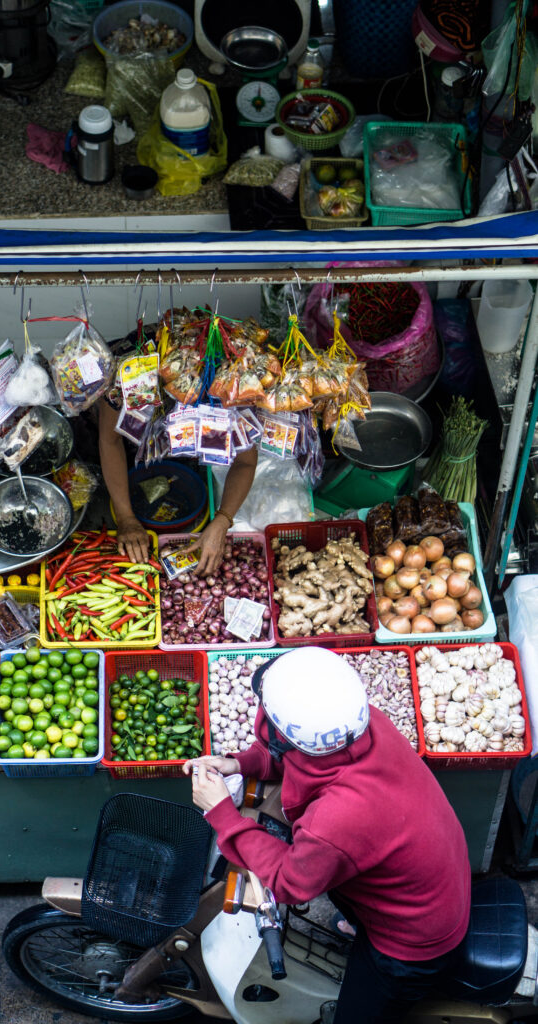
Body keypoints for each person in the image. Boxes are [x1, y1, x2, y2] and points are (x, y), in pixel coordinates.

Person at [184, 647, 471, 1024]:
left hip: (412, 943)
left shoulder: (338, 819)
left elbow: (289, 882)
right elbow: (291, 756)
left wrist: (221, 813)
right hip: (433, 880)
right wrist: (239, 762)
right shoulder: (363, 729)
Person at [98, 396, 258, 574]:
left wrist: (223, 520)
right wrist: (125, 517)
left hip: (193, 462)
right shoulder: (131, 381)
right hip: (128, 456)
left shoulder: (226, 389)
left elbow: (246, 462)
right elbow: (109, 440)